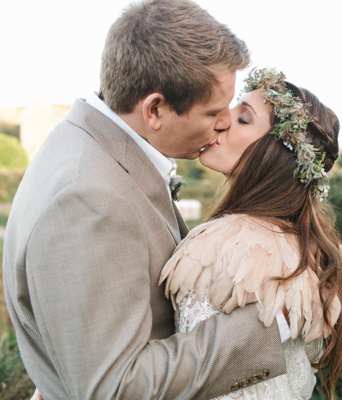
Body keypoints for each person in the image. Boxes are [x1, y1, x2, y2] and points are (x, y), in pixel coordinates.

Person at [2, 1, 288, 399]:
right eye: (213, 112)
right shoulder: (87, 200)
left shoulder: (89, 144)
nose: (224, 123)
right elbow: (116, 388)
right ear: (155, 109)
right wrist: (266, 327)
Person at [159, 68, 342, 400]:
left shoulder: (231, 246)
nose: (222, 119)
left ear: (274, 155)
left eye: (243, 119)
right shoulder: (308, 246)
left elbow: (194, 373)